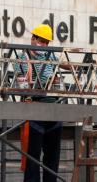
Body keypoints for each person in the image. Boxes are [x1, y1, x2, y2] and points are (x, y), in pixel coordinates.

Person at [16, 24, 65, 182]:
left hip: (53, 112)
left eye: (47, 43)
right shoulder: (23, 57)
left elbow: (62, 63)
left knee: (52, 161)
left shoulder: (50, 57)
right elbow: (23, 84)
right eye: (42, 42)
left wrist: (77, 66)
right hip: (34, 111)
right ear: (33, 39)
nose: (44, 46)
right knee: (33, 160)